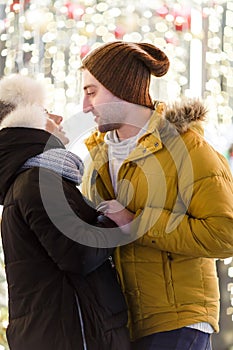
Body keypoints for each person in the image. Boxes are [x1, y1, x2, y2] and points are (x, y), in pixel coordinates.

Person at [80, 40, 233, 350]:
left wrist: (136, 223)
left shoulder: (187, 148)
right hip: (122, 323)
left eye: (91, 92)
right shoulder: (95, 155)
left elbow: (226, 234)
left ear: (121, 87)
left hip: (177, 321)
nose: (84, 107)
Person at [0, 74, 131, 350]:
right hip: (74, 334)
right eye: (46, 112)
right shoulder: (37, 181)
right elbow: (77, 252)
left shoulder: (35, 179)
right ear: (27, 124)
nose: (59, 118)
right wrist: (116, 223)